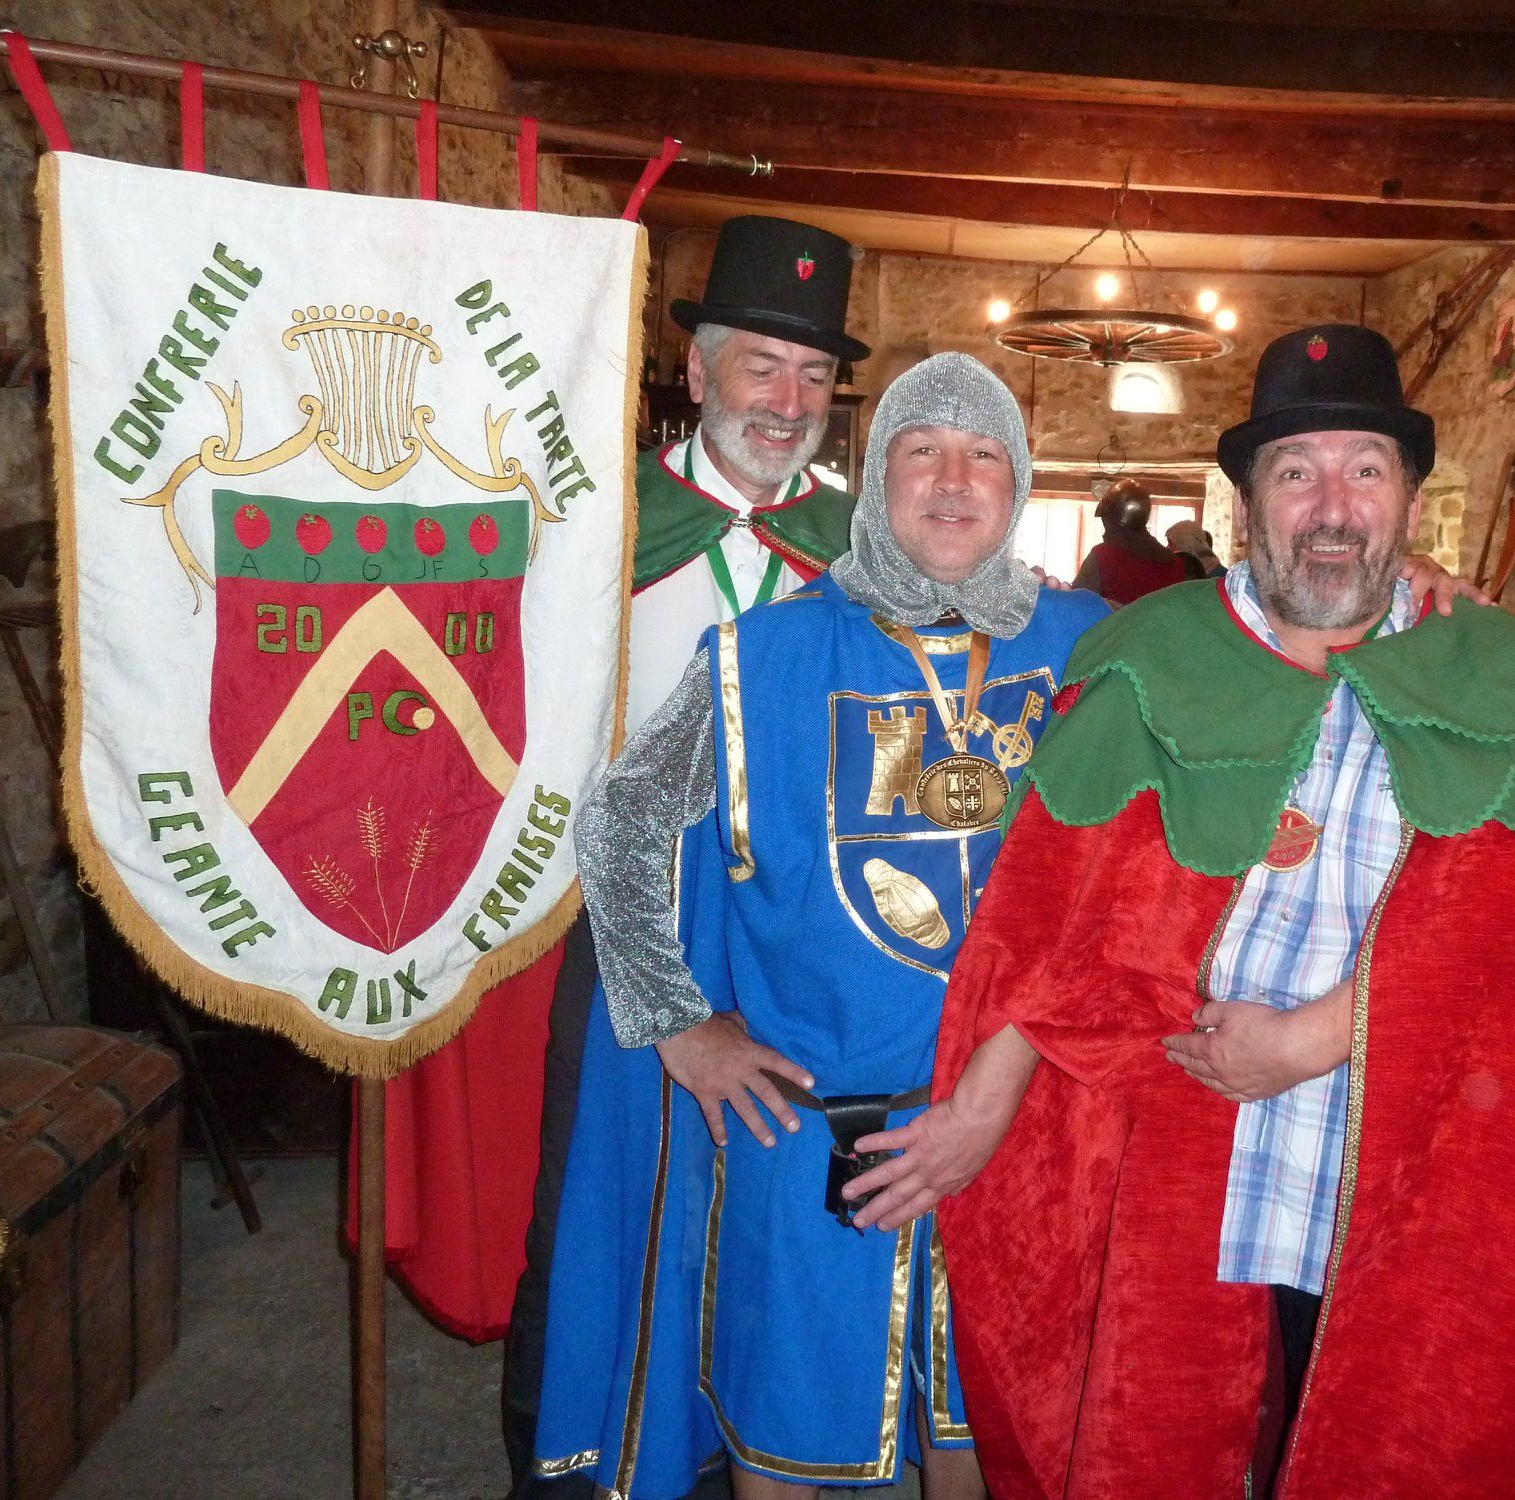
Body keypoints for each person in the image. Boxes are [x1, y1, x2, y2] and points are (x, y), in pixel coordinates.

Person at [847, 325, 1515, 1499]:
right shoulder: (1150, 654)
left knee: (1388, 1429)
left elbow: (1498, 945)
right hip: (1180, 1146)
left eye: (1364, 470)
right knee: (1165, 1429)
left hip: (1401, 1150)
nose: (1331, 507)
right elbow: (1055, 928)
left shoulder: (1493, 669)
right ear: (1246, 504)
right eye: (1295, 473)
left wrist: (1305, 1039)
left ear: (1405, 497)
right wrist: (979, 1111)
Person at [532, 354, 1110, 1498]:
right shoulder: (767, 653)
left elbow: (1269, 644)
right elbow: (618, 826)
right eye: (921, 450)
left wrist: (1412, 593)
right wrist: (680, 1025)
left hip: (1021, 1121)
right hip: (807, 1135)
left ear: (1019, 480)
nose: (954, 480)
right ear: (876, 478)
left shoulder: (1092, 650)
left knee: (984, 1439)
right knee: (786, 1445)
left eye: (983, 453)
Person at [501, 214, 867, 1497]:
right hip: (630, 933)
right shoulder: (597, 525)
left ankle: (741, 1454)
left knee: (771, 1220)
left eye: (814, 376)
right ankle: (578, 1463)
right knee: (606, 1224)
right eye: (761, 365)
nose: (787, 400)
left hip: (806, 948)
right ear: (697, 369)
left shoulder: (861, 542)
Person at [1070, 476, 1187, 603]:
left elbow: (1077, 607)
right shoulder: (1175, 563)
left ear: (1113, 519)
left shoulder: (1102, 556)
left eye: (1106, 520)